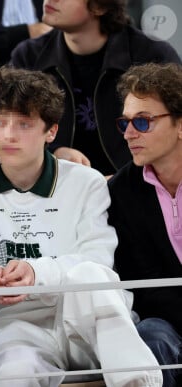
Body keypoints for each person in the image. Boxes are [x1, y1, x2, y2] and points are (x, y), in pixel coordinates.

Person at [0, 66, 162, 386]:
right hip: (10, 330)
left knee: (90, 274)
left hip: (82, 323)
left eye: (23, 124)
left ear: (51, 132)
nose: (8, 135)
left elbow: (98, 261)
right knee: (14, 371)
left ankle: (138, 382)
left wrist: (37, 273)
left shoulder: (86, 182)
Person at [10, 0, 181, 177]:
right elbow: (10, 132)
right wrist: (52, 153)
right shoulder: (28, 58)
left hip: (139, 192)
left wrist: (123, 184)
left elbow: (173, 138)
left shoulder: (152, 56)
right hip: (60, 194)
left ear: (100, 6)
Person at [108, 62, 182, 387]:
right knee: (149, 335)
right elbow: (136, 285)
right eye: (125, 122)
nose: (128, 134)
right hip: (163, 323)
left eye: (143, 121)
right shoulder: (120, 192)